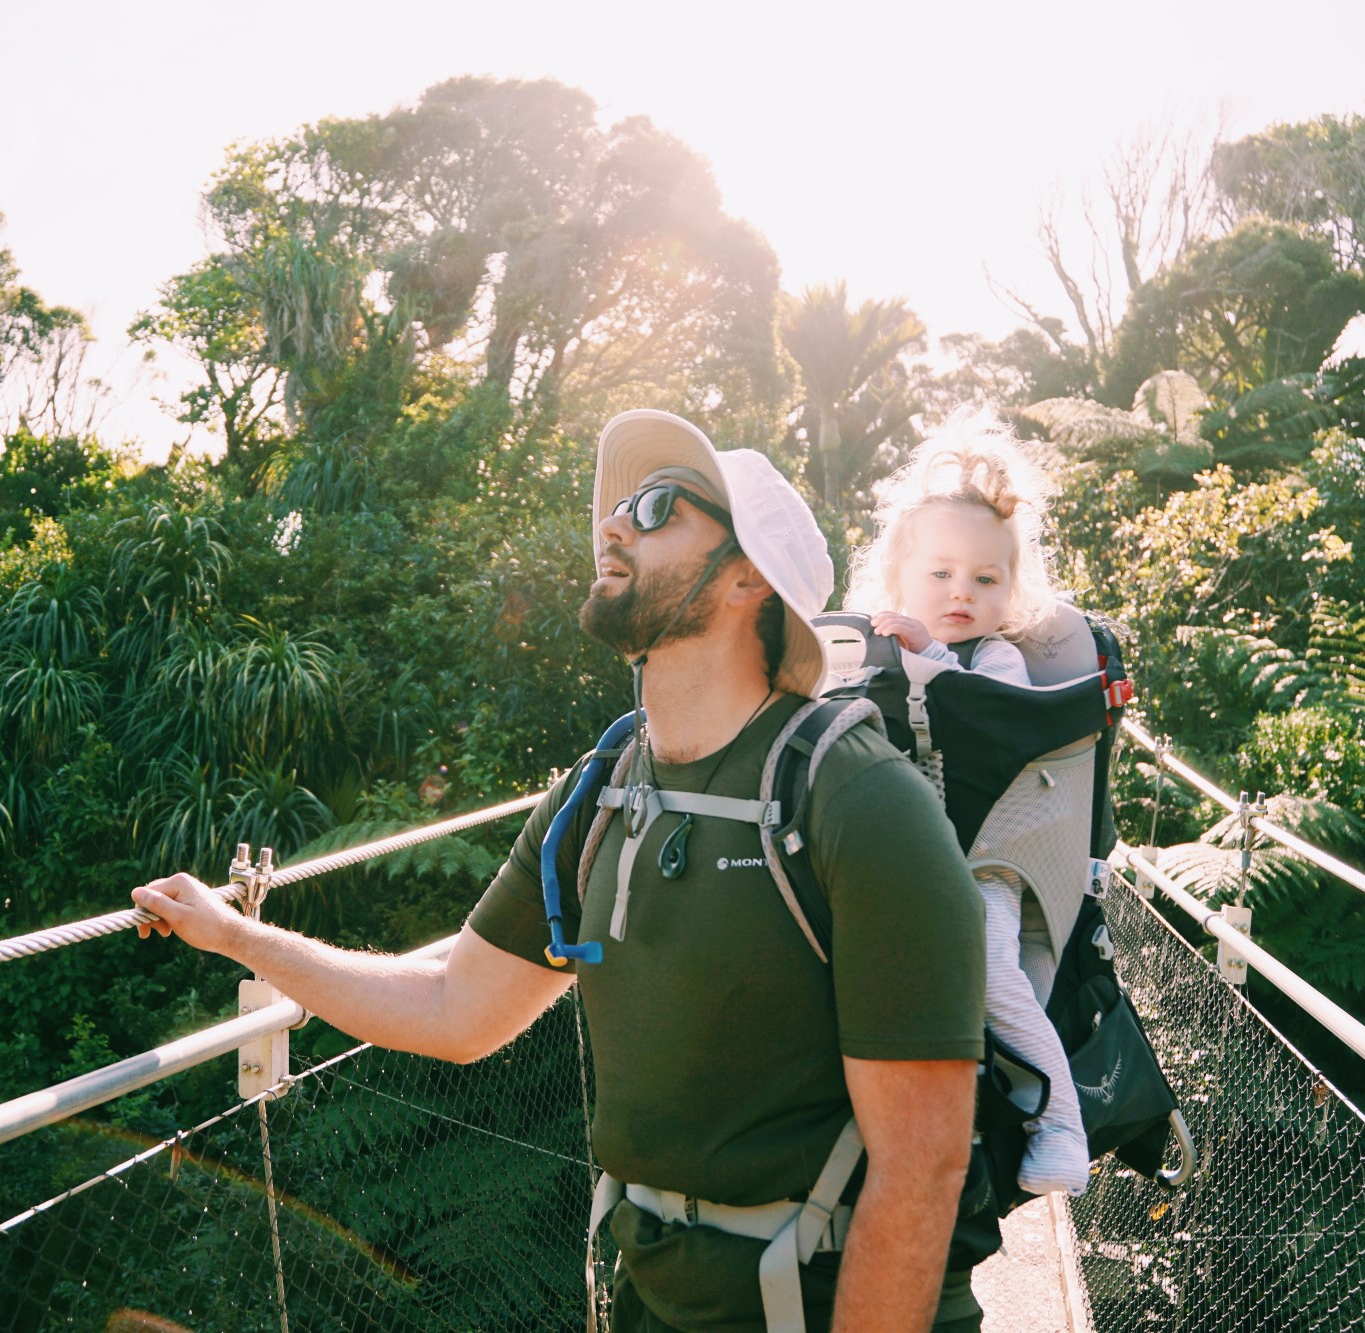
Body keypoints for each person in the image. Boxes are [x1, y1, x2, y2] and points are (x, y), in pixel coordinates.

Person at [130, 409, 987, 1332]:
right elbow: (456, 1008)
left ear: (748, 578)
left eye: (658, 507)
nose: (613, 525)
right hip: (648, 1296)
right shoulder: (601, 793)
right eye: (618, 505)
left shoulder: (860, 802)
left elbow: (921, 1165)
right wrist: (236, 936)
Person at [846, 418, 1089, 1198]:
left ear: (1010, 590)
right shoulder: (873, 650)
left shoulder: (996, 656)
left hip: (989, 853)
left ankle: (1060, 1120)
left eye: (986, 579)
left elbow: (987, 717)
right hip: (903, 859)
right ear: (899, 575)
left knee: (986, 961)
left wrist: (931, 656)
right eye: (942, 573)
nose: (962, 592)